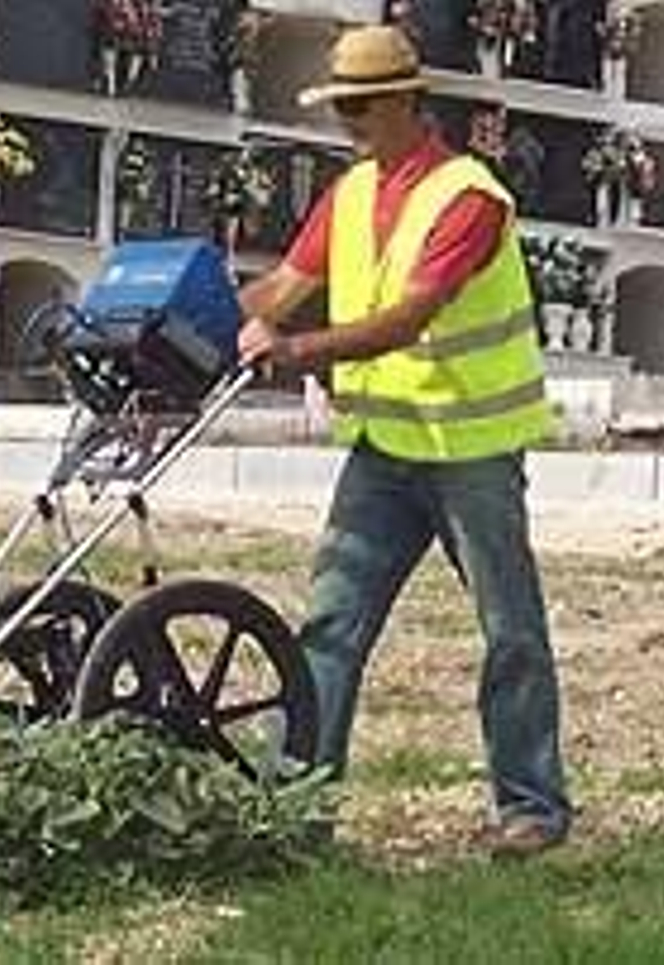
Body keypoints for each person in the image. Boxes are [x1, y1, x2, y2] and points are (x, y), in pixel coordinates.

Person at [237, 24, 572, 854]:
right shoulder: (349, 194)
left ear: (406, 101)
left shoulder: (469, 196)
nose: (346, 119)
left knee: (510, 629)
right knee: (329, 626)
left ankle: (530, 806)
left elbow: (408, 316)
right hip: (386, 448)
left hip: (472, 451)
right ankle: (297, 810)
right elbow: (283, 286)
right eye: (338, 105)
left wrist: (299, 352)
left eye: (358, 104)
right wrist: (189, 319)